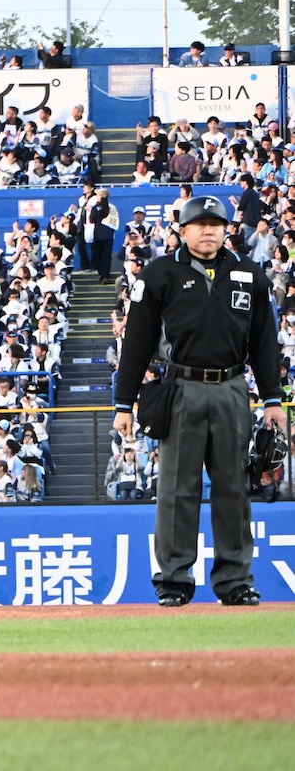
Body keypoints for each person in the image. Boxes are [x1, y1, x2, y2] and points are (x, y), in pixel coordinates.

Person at [113, 195, 284, 607]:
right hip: (181, 387)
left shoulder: (250, 275)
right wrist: (123, 403)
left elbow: (264, 341)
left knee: (233, 488)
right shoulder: (159, 274)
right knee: (176, 489)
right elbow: (137, 340)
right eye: (200, 223)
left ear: (228, 229)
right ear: (182, 230)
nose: (209, 230)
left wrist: (273, 399)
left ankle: (235, 580)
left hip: (231, 388)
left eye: (216, 224)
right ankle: (173, 580)